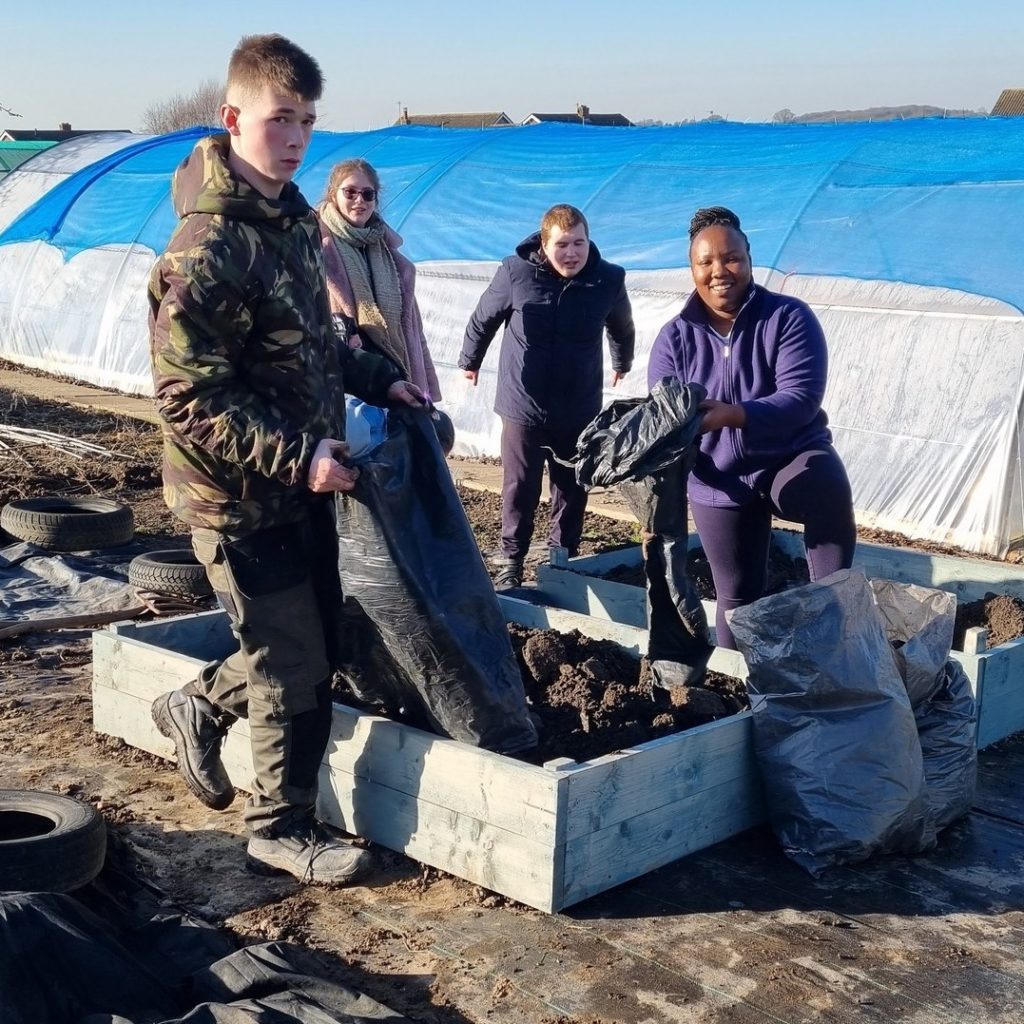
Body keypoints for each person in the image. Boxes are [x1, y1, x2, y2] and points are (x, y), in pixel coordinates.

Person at [147, 34, 426, 886]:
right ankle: (278, 827)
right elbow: (187, 399)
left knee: (313, 644)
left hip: (304, 481)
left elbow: (321, 346)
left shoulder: (298, 226)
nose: (296, 136)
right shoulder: (205, 248)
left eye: (307, 119)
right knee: (291, 663)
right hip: (235, 498)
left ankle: (195, 704)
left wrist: (388, 379)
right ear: (233, 119)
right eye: (279, 120)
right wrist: (298, 455)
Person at [647, 206, 856, 650]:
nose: (719, 271)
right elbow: (664, 410)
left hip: (789, 455)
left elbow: (799, 398)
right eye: (705, 262)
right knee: (736, 597)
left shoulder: (788, 318)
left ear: (749, 257)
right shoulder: (675, 338)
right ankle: (736, 691)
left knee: (827, 489)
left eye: (731, 258)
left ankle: (834, 637)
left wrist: (731, 414)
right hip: (717, 474)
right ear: (692, 269)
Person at [459, 204, 635, 588]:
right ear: (544, 243)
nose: (571, 253)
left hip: (578, 402)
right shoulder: (516, 272)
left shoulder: (607, 279)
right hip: (523, 401)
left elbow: (621, 325)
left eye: (578, 243)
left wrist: (623, 361)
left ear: (589, 242)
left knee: (571, 484)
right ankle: (512, 559)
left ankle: (563, 555)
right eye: (562, 245)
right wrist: (470, 359)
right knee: (519, 482)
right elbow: (484, 317)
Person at [317, 158, 441, 402]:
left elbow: (413, 330)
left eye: (367, 194)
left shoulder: (388, 254)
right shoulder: (317, 248)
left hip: (399, 378)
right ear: (333, 195)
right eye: (350, 192)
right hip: (348, 383)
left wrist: (427, 388)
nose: (359, 201)